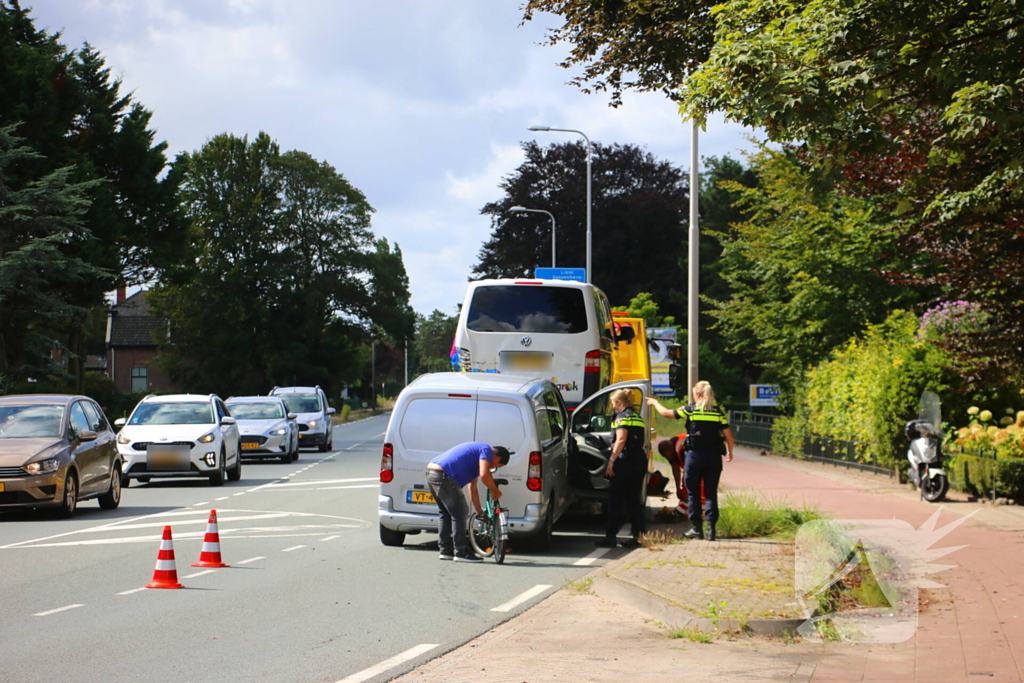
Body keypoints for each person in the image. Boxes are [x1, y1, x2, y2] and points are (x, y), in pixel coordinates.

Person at [647, 381, 735, 541]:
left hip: (695, 456)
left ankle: (696, 529)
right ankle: (711, 531)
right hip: (714, 457)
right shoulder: (717, 412)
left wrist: (654, 403)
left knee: (693, 493)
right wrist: (730, 452)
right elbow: (728, 434)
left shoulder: (691, 410)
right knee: (710, 494)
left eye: (694, 393)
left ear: (698, 395)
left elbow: (667, 413)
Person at [426, 442, 510, 562]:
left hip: (432, 473)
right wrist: (495, 490)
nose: (492, 468)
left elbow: (472, 488)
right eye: (497, 465)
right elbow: (484, 475)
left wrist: (479, 512)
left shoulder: (475, 460)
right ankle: (461, 552)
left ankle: (446, 551)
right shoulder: (486, 450)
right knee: (460, 513)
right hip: (444, 475)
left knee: (445, 513)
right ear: (498, 458)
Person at [596, 389, 648, 549]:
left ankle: (610, 536)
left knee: (616, 500)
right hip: (639, 460)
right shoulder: (637, 417)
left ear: (618, 403)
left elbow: (621, 440)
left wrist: (611, 460)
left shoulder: (621, 418)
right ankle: (638, 536)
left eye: (613, 403)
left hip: (625, 461)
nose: (613, 406)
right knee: (634, 500)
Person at [656, 435, 706, 515]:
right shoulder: (669, 447)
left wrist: (686, 490)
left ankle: (702, 513)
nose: (668, 458)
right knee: (685, 489)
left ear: (671, 450)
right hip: (694, 459)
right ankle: (685, 510)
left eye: (668, 456)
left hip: (701, 457)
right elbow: (675, 468)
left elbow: (689, 472)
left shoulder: (683, 449)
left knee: (698, 485)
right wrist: (678, 489)